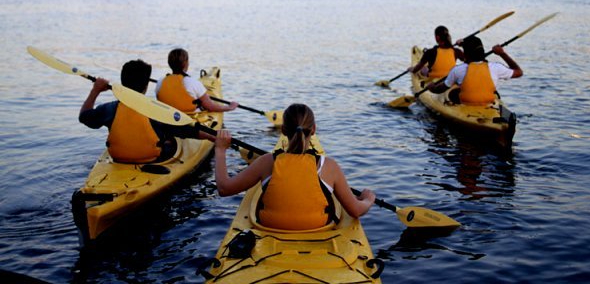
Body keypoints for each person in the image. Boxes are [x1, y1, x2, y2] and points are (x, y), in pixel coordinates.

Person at [214, 103, 375, 231]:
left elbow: (224, 188)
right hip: (317, 229)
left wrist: (220, 150)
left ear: (283, 131)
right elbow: (355, 211)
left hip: (271, 229)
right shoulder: (329, 167)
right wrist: (368, 199)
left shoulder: (267, 162)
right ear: (313, 130)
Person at [79, 59, 215, 164]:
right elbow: (189, 131)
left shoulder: (108, 109)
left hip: (119, 158)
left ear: (122, 82)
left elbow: (84, 117)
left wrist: (95, 90)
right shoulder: (158, 111)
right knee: (171, 138)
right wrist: (214, 137)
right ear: (145, 86)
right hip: (152, 158)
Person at [427, 36, 523, 105]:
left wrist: (432, 87)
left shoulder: (457, 70)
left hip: (466, 103)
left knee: (452, 91)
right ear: (482, 51)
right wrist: (502, 54)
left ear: (466, 54)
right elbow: (519, 72)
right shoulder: (496, 67)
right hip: (488, 103)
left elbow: (440, 89)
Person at [155, 48, 238, 113]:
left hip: (169, 117)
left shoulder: (160, 82)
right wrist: (230, 107)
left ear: (169, 63)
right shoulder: (193, 83)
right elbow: (210, 107)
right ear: (186, 63)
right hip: (190, 120)